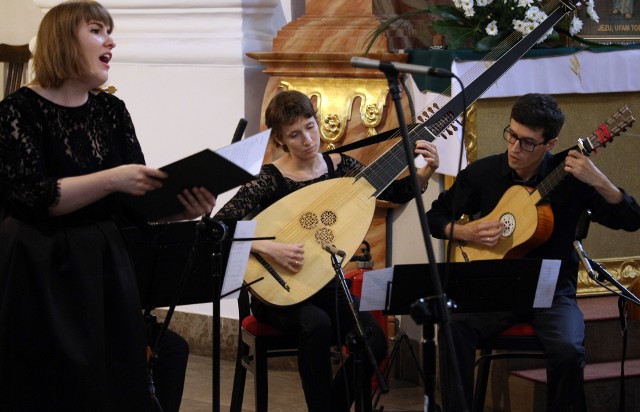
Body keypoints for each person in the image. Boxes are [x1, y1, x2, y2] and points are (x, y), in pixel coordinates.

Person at [0, 1, 215, 411]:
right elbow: (31, 197)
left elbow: (133, 207)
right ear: (64, 40)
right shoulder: (17, 111)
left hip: (102, 266)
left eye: (108, 32)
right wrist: (112, 178)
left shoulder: (112, 111)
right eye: (97, 31)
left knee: (111, 385)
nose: (111, 41)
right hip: (38, 266)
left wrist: (179, 210)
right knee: (48, 389)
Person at [215, 89, 440, 411]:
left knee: (373, 340)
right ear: (279, 140)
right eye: (295, 134)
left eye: (310, 126)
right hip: (275, 293)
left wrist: (425, 173)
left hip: (325, 282)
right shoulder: (269, 180)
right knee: (317, 325)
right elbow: (218, 227)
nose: (307, 139)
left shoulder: (341, 167)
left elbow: (398, 192)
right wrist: (267, 247)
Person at [426, 93, 640, 411]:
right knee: (452, 328)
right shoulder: (482, 174)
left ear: (549, 144)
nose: (515, 147)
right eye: (512, 135)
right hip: (493, 291)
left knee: (568, 348)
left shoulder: (573, 179)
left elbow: (632, 220)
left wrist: (599, 181)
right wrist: (463, 231)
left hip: (552, 293)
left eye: (527, 142)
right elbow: (435, 217)